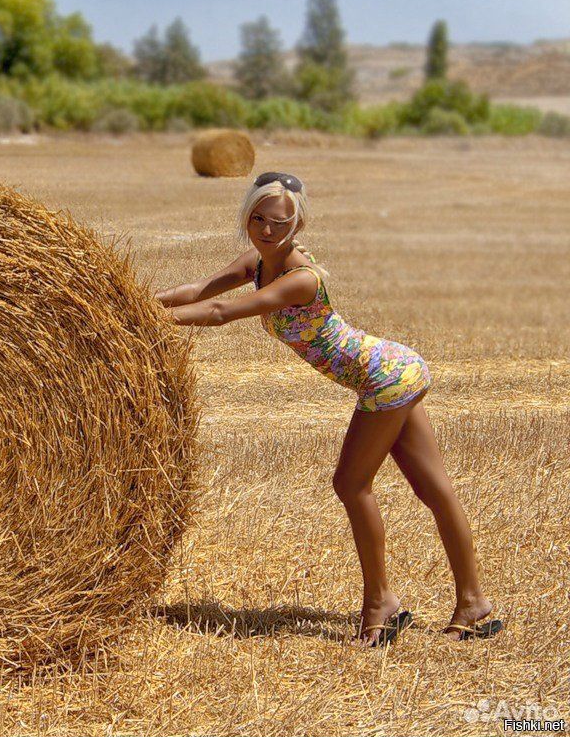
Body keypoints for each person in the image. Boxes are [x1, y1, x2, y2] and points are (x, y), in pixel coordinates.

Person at [156, 171, 503, 646]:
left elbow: (220, 313)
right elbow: (198, 291)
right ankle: (475, 605)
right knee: (433, 489)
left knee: (352, 483)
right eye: (258, 219)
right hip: (389, 371)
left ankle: (383, 602)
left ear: (297, 225)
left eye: (278, 223)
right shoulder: (258, 261)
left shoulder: (301, 279)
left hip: (386, 376)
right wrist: (133, 304)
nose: (265, 230)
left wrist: (159, 322)